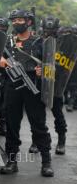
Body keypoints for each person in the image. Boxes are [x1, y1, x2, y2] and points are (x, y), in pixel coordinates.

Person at [0, 9, 54, 177]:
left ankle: (46, 162)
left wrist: (42, 71)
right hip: (12, 86)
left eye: (20, 19)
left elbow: (50, 66)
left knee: (39, 125)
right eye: (14, 20)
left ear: (29, 22)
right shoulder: (7, 41)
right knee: (12, 125)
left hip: (32, 87)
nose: (17, 22)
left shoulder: (40, 42)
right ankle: (11, 161)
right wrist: (2, 62)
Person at [28, 16, 67, 155]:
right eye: (46, 30)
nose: (48, 33)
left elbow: (67, 62)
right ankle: (36, 141)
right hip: (40, 83)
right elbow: (32, 59)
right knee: (38, 116)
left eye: (52, 31)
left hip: (56, 85)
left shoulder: (63, 44)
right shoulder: (37, 42)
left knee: (58, 113)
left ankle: (61, 140)